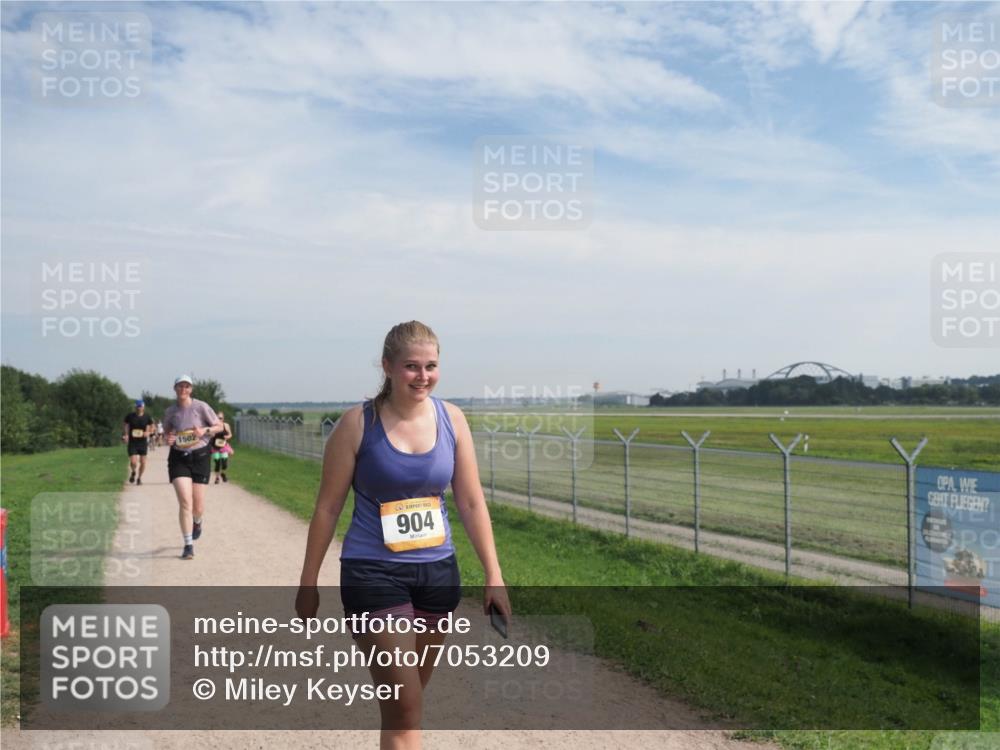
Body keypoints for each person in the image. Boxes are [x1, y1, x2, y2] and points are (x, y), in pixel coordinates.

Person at [297, 321, 510, 750]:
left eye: (431, 366)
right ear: (388, 367)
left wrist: (494, 574)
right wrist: (308, 582)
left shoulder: (452, 420)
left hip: (437, 575)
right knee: (405, 709)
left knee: (404, 708)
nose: (422, 376)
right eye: (412, 366)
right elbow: (327, 508)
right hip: (373, 574)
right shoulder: (357, 424)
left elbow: (471, 503)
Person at [163, 375, 221, 560]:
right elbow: (167, 432)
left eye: (186, 386)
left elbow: (219, 426)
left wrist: (205, 430)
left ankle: (197, 521)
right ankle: (188, 545)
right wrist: (169, 438)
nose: (183, 389)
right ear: (175, 388)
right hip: (178, 458)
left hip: (200, 457)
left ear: (191, 389)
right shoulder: (170, 411)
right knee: (185, 502)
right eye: (180, 386)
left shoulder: (201, 407)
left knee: (198, 506)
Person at [122, 400, 154, 485]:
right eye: (137, 406)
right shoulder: (130, 416)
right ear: (135, 407)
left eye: (140, 406)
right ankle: (133, 472)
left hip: (142, 443)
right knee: (133, 462)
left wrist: (148, 432)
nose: (139, 408)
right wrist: (126, 434)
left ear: (143, 407)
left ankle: (139, 478)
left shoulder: (147, 417)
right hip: (133, 442)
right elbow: (125, 424)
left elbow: (152, 426)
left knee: (143, 462)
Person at [211, 411, 234, 484]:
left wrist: (227, 437)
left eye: (220, 418)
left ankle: (223, 473)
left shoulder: (226, 425)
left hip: (223, 446)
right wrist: (212, 434)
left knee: (224, 462)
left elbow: (230, 434)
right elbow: (209, 435)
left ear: (223, 419)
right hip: (215, 447)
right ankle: (217, 478)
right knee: (217, 462)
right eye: (217, 418)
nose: (219, 419)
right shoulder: (213, 426)